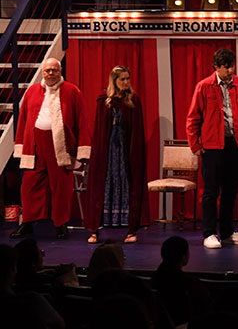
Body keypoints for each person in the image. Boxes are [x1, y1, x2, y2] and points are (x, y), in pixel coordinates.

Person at [186, 48, 238, 249]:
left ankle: (227, 233)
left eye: (231, 66)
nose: (229, 70)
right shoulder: (204, 86)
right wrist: (196, 145)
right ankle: (209, 233)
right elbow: (193, 118)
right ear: (216, 67)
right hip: (211, 146)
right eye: (225, 66)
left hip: (234, 144)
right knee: (210, 191)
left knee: (231, 191)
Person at [11, 58, 91, 240]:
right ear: (42, 72)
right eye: (47, 70)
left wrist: (82, 151)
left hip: (60, 147)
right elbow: (23, 120)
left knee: (61, 186)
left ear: (60, 70)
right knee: (29, 186)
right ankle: (28, 223)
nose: (51, 73)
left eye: (54, 70)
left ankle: (61, 224)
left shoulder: (72, 91)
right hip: (36, 145)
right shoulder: (32, 91)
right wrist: (21, 146)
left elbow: (82, 122)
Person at [84, 65, 146, 244]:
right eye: (122, 79)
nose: (126, 82)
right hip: (107, 152)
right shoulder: (104, 100)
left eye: (128, 79)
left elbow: (137, 130)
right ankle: (95, 230)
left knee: (128, 184)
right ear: (114, 81)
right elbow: (99, 131)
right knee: (102, 185)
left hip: (126, 153)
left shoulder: (134, 100)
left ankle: (131, 230)